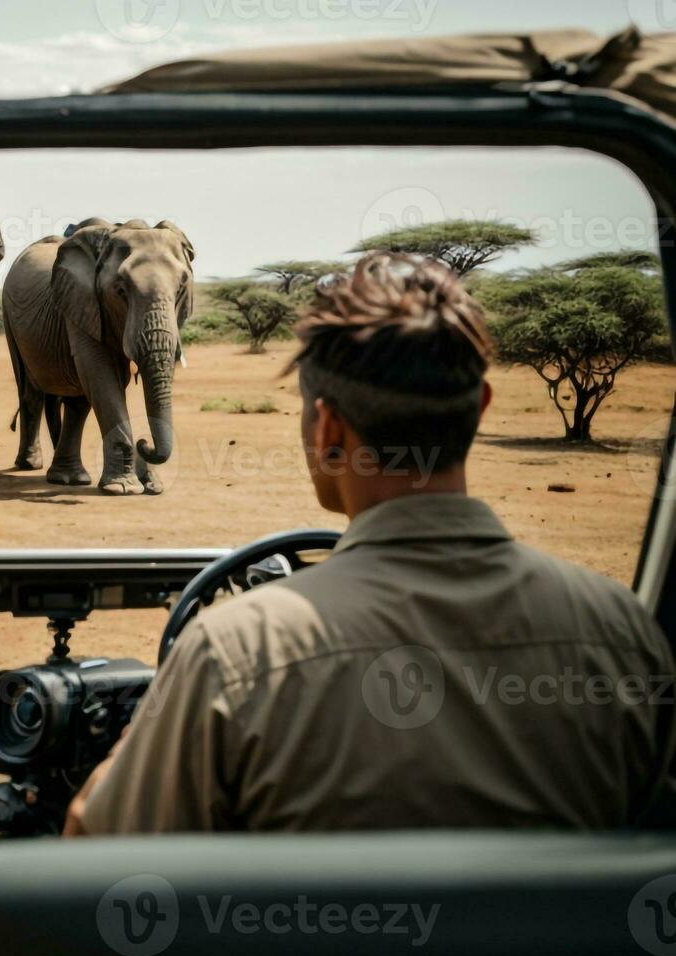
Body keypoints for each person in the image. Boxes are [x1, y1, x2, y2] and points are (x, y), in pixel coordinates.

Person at [66, 252, 676, 835]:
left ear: (328, 428)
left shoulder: (236, 655)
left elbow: (99, 851)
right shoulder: (621, 635)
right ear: (480, 407)